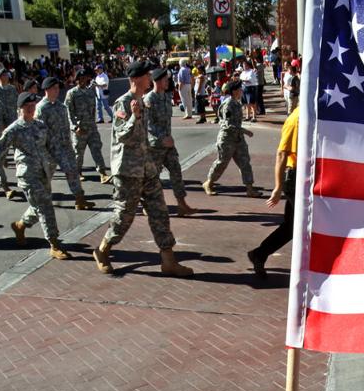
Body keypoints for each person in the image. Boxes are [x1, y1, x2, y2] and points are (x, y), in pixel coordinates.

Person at [94, 61, 194, 277]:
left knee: (160, 213)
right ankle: (103, 250)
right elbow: (122, 136)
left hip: (147, 168)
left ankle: (168, 261)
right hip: (128, 171)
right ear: (137, 79)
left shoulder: (143, 102)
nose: (150, 78)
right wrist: (134, 117)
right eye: (147, 76)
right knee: (124, 218)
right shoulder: (124, 104)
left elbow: (145, 137)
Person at [0, 92, 72, 260]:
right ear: (20, 108)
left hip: (43, 172)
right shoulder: (15, 128)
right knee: (45, 206)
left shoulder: (41, 126)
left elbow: (54, 147)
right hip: (27, 175)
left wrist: (68, 167)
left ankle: (20, 225)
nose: (31, 109)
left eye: (33, 106)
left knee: (38, 205)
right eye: (27, 107)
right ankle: (54, 243)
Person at [247, 105, 299, 281]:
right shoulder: (296, 120)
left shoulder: (310, 115)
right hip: (296, 177)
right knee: (300, 225)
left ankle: (259, 254)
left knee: (291, 227)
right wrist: (278, 188)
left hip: (307, 176)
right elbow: (281, 154)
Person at [36, 76, 94, 210]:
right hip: (50, 148)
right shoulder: (41, 108)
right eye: (54, 88)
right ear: (47, 89)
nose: (57, 91)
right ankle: (41, 201)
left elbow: (67, 125)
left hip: (65, 146)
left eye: (57, 88)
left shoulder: (61, 107)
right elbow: (40, 131)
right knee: (46, 176)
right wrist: (43, 150)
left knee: (72, 171)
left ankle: (80, 199)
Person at [144, 67, 194, 217]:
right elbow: (147, 124)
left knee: (176, 172)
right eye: (165, 79)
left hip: (169, 144)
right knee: (152, 178)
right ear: (158, 81)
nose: (168, 82)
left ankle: (182, 204)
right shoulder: (149, 99)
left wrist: (168, 138)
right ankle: (147, 204)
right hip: (155, 146)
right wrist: (161, 138)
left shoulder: (167, 97)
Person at [203, 81, 260, 197]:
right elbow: (228, 125)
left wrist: (241, 132)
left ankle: (250, 189)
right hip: (227, 139)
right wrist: (245, 131)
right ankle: (208, 183)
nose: (242, 91)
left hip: (238, 139)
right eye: (240, 89)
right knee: (221, 163)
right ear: (234, 91)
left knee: (245, 163)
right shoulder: (228, 104)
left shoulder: (236, 103)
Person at [66, 68, 111, 184]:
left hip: (91, 127)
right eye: (80, 79)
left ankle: (103, 173)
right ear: (76, 80)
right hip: (79, 129)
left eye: (84, 78)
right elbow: (68, 113)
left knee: (97, 149)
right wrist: (75, 127)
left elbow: (93, 110)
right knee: (78, 153)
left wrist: (93, 122)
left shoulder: (90, 92)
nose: (82, 81)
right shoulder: (72, 93)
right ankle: (77, 172)